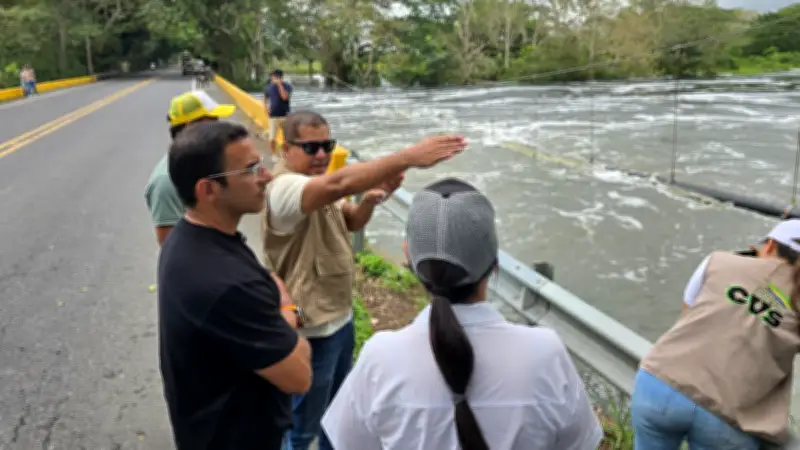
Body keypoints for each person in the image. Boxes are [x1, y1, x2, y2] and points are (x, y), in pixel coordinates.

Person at [320, 178, 603, 449]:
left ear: (409, 257)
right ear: (494, 263)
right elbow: (579, 443)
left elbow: (348, 442)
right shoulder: (544, 353)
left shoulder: (381, 358)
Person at [262, 110, 467, 450]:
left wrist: (371, 200)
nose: (322, 155)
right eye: (310, 148)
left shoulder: (318, 185)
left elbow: (352, 221)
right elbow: (338, 183)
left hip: (338, 317)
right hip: (310, 327)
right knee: (301, 426)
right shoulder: (285, 189)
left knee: (339, 414)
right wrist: (408, 157)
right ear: (285, 149)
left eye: (326, 145)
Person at [158, 120, 312, 450]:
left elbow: (264, 277)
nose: (267, 176)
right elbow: (299, 376)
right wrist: (287, 310)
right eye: (250, 169)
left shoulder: (190, 238)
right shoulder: (223, 283)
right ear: (208, 190)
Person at [632, 219, 800, 449]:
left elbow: (687, 313)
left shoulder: (718, 261)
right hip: (729, 417)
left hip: (660, 384)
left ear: (770, 245)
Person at [144, 90, 236, 245]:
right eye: (213, 122)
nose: (220, 129)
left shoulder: (203, 163)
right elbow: (171, 247)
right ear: (191, 127)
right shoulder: (166, 181)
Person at [264, 69, 293, 154]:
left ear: (280, 77)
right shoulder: (268, 87)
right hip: (273, 116)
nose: (272, 79)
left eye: (274, 77)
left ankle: (285, 154)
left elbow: (284, 97)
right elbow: (265, 98)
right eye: (272, 77)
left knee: (286, 138)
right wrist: (265, 108)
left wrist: (280, 84)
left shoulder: (287, 86)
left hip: (285, 115)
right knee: (272, 138)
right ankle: (274, 154)